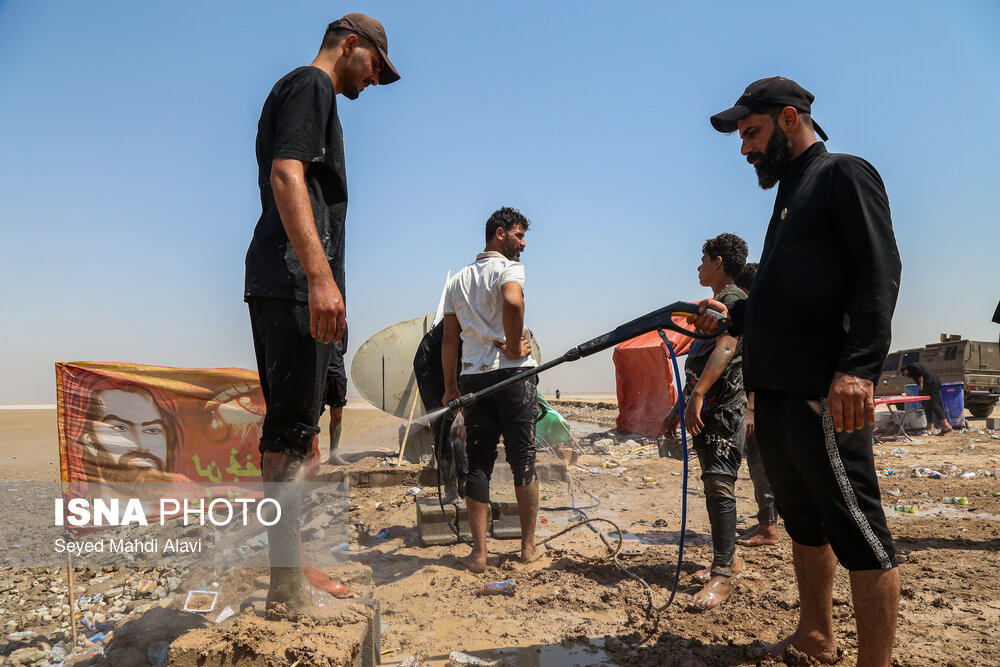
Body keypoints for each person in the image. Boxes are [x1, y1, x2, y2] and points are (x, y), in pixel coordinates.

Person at [694, 76, 901, 665]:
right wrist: (734, 317)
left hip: (822, 391)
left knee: (860, 533)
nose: (745, 148)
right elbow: (788, 293)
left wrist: (858, 369)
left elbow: (879, 272)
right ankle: (816, 634)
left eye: (752, 133)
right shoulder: (790, 194)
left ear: (789, 119)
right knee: (805, 525)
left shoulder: (842, 174)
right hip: (776, 392)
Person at [243, 12, 399, 616]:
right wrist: (318, 275)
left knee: (295, 432)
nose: (375, 80)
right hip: (292, 282)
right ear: (351, 44)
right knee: (288, 436)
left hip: (288, 281)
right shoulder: (312, 85)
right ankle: (286, 589)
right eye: (376, 66)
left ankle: (294, 568)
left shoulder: (305, 92)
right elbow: (287, 174)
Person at [442, 207, 537, 573]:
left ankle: (479, 554)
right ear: (500, 234)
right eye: (519, 235)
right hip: (513, 377)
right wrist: (513, 347)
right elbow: (513, 301)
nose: (523, 244)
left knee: (478, 462)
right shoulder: (509, 269)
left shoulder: (457, 281)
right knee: (523, 458)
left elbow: (450, 340)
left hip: (474, 379)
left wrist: (450, 387)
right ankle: (527, 547)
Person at [662, 233, 748, 610]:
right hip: (707, 410)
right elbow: (698, 365)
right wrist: (678, 408)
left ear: (718, 262)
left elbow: (727, 347)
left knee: (719, 484)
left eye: (703, 259)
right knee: (714, 483)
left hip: (723, 409)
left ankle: (722, 575)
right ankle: (731, 558)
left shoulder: (734, 301)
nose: (698, 266)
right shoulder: (714, 308)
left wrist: (697, 397)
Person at [733, 263, 780, 548]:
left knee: (760, 465)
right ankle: (767, 521)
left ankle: (768, 529)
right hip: (773, 403)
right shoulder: (773, 312)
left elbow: (757, 368)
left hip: (761, 406)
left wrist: (750, 409)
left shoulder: (755, 316)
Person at [900, 362, 953, 435]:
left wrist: (921, 384)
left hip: (930, 385)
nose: (906, 374)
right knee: (926, 404)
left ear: (905, 369)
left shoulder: (910, 366)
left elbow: (920, 373)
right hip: (930, 384)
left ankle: (946, 426)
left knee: (934, 404)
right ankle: (930, 426)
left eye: (905, 373)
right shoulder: (914, 368)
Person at [323, 328, 350, 465]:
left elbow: (343, 348)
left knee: (337, 415)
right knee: (312, 416)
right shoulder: (314, 318)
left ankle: (333, 455)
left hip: (337, 371)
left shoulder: (341, 322)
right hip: (318, 372)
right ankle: (309, 456)